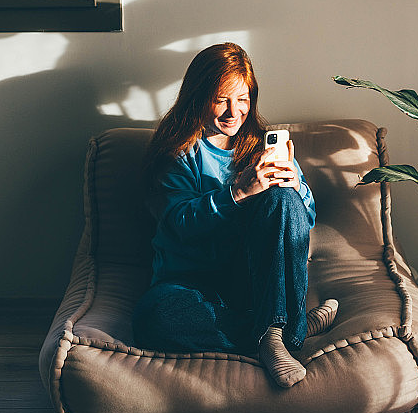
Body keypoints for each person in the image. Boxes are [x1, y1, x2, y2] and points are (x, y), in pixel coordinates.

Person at [133, 42, 338, 388]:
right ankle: (288, 327)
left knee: (284, 198)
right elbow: (180, 224)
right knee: (153, 320)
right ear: (198, 96)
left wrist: (295, 186)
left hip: (255, 281)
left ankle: (275, 328)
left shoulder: (264, 147)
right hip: (191, 284)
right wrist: (238, 193)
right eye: (221, 99)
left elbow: (304, 219)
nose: (234, 112)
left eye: (242, 99)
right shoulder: (179, 153)